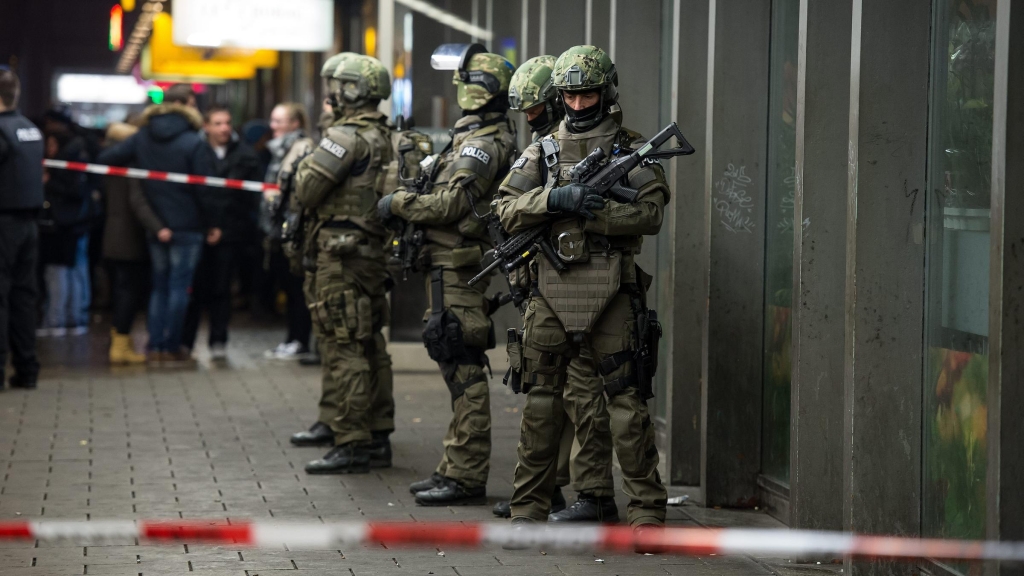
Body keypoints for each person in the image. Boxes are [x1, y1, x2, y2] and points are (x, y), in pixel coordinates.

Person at [496, 46, 668, 539]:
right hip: (550, 287)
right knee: (540, 400)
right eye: (569, 95)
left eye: (587, 93)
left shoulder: (630, 149)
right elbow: (505, 209)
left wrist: (601, 214)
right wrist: (555, 198)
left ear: (607, 90)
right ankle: (528, 508)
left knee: (626, 402)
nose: (577, 105)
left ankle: (647, 514)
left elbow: (652, 212)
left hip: (611, 285)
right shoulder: (543, 150)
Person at [378, 44, 517, 506]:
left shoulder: (480, 143)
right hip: (447, 265)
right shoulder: (474, 136)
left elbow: (453, 205)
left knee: (464, 368)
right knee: (454, 361)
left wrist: (397, 202)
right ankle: (455, 467)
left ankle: (465, 475)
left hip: (458, 266)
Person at [490, 55, 619, 522]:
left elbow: (642, 211)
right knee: (546, 390)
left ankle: (592, 494)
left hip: (583, 281)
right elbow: (508, 205)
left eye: (537, 109)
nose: (533, 120)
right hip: (543, 276)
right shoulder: (543, 147)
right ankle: (549, 491)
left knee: (583, 391)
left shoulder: (597, 144)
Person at [290, 53, 397, 475]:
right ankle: (377, 434)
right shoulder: (387, 135)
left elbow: (307, 189)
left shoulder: (344, 138)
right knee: (371, 344)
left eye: (337, 85)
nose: (331, 93)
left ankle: (351, 440)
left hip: (341, 254)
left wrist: (308, 155)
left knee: (344, 345)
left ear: (351, 90)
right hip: (370, 252)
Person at [97, 83, 221, 367]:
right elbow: (205, 189)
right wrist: (212, 222)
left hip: (155, 225)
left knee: (160, 287)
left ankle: (154, 345)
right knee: (180, 288)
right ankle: (171, 346)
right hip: (188, 225)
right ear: (188, 104)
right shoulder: (194, 141)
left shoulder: (143, 136)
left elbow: (106, 158)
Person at [181, 105, 262, 360]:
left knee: (222, 289)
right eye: (217, 123)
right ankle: (186, 341)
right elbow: (191, 194)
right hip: (199, 231)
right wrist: (206, 227)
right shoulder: (194, 153)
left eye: (227, 123)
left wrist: (224, 229)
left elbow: (247, 198)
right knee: (194, 290)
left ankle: (218, 340)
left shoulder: (245, 155)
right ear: (206, 126)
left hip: (231, 233)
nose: (224, 128)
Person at [101, 122, 161, 365]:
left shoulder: (108, 166)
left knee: (121, 291)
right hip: (129, 239)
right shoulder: (131, 167)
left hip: (112, 236)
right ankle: (120, 345)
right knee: (129, 293)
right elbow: (137, 203)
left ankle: (119, 341)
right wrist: (159, 228)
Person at [0, 68, 43, 390]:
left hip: (4, 223)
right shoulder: (30, 129)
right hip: (29, 224)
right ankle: (27, 369)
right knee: (24, 298)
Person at [262, 102, 314, 361]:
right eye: (273, 120)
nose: (274, 126)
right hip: (281, 228)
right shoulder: (280, 149)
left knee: (297, 288)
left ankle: (299, 340)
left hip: (293, 229)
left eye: (279, 121)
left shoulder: (301, 148)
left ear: (295, 124)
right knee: (289, 286)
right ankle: (293, 338)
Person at [37, 130, 91, 337]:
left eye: (52, 144)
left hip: (61, 227)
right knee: (75, 272)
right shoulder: (79, 160)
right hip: (76, 225)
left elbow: (71, 192)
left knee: (57, 274)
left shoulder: (62, 167)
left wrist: (48, 182)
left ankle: (56, 320)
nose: (49, 149)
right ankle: (74, 318)